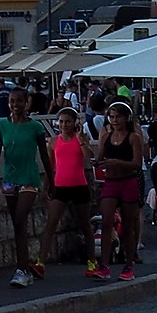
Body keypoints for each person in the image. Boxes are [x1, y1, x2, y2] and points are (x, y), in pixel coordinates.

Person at [0, 85, 53, 287]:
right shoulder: (1, 126)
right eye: (12, 101)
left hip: (29, 178)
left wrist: (52, 180)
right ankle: (23, 268)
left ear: (27, 103)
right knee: (18, 226)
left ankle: (22, 269)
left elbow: (44, 155)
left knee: (20, 219)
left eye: (19, 101)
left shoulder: (35, 127)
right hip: (9, 178)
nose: (16, 105)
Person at [94, 102, 148, 280]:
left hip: (128, 182)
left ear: (126, 118)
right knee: (107, 221)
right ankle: (104, 264)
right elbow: (100, 158)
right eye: (112, 117)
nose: (115, 120)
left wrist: (117, 163)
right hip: (111, 181)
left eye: (118, 117)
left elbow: (136, 164)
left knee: (128, 225)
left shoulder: (133, 138)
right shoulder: (106, 137)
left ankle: (128, 265)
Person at [41, 99, 95, 278]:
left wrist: (80, 140)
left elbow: (89, 157)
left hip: (79, 185)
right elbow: (50, 165)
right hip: (60, 186)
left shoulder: (80, 138)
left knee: (85, 224)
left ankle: (92, 261)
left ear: (75, 123)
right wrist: (46, 186)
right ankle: (40, 261)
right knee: (51, 223)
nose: (64, 125)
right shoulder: (53, 141)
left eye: (68, 121)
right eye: (61, 122)